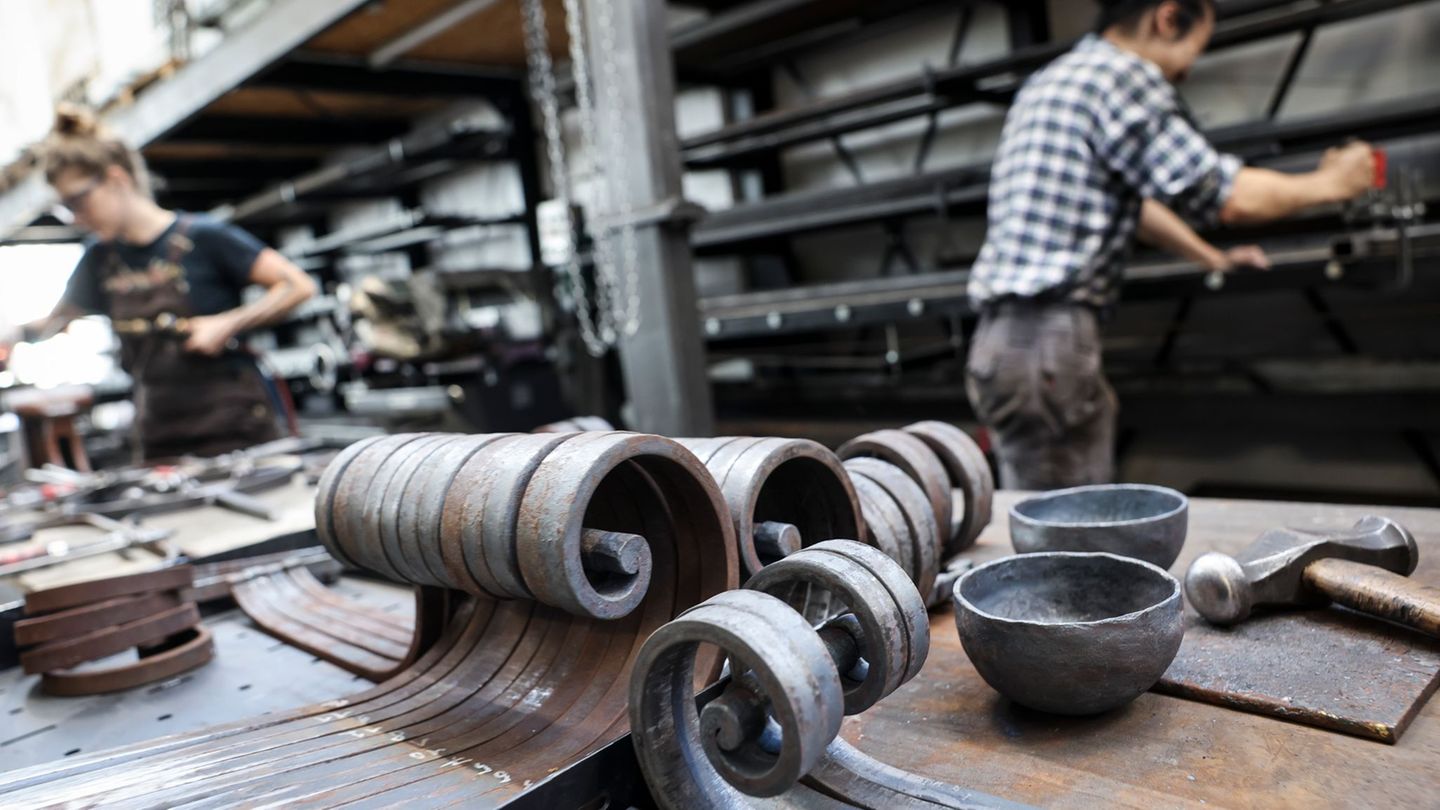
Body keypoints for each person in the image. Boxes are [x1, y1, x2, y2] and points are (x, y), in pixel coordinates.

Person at [965, 0, 1377, 490]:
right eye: (1193, 50)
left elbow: (1134, 204)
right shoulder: (1121, 76)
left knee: (1043, 507)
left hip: (1007, 345)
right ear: (1166, 18)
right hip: (1047, 342)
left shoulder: (1055, 81)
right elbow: (1226, 196)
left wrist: (1212, 257)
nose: (1186, 71)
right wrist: (1331, 183)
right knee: (1066, 534)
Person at [8, 105, 316, 461]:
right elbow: (52, 324)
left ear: (117, 179)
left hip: (237, 430)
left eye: (78, 200)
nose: (75, 217)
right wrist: (13, 336)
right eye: (65, 207)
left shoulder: (205, 237)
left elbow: (297, 286)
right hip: (160, 436)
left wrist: (227, 323)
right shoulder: (99, 260)